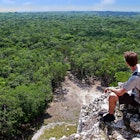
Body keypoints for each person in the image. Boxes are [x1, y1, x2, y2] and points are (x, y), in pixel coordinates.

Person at [102, 51, 140, 122]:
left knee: (112, 96)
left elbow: (119, 93)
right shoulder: (139, 67)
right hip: (136, 91)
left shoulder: (135, 78)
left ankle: (110, 116)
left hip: (136, 99)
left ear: (127, 63)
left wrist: (110, 88)